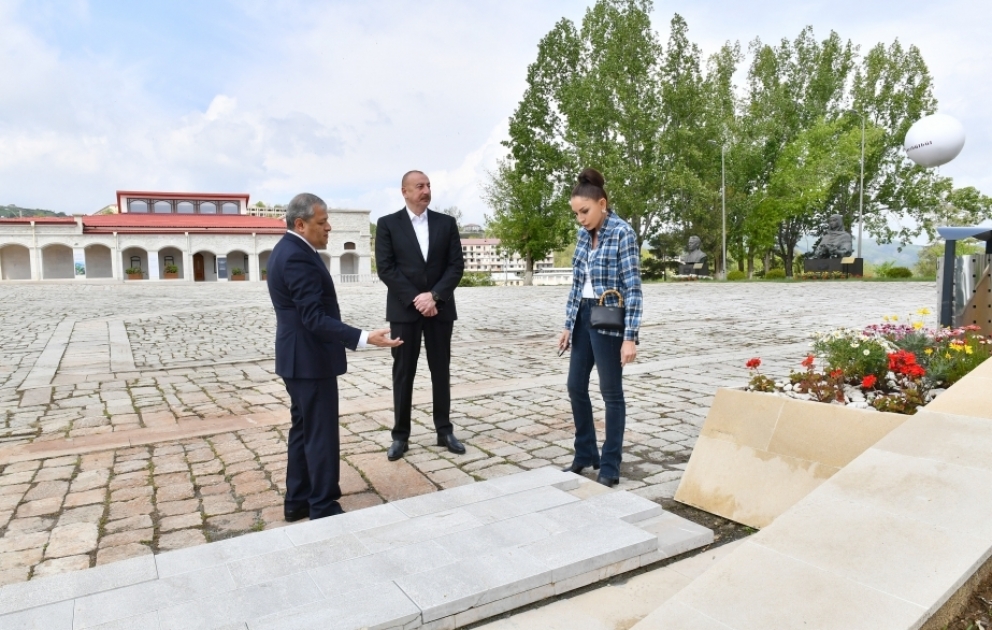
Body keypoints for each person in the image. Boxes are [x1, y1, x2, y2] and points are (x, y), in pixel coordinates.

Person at [266, 193, 401, 521]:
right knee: (320, 435)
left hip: (297, 359)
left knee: (303, 430)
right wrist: (364, 337)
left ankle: (297, 500)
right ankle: (323, 506)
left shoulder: (287, 250)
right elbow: (313, 317)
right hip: (309, 361)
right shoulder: (297, 256)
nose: (329, 227)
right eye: (322, 221)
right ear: (301, 224)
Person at [558, 168, 643, 487]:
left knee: (611, 393)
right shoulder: (583, 235)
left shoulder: (623, 233)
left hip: (608, 314)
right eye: (576, 213)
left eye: (585, 211)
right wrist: (568, 325)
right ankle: (584, 454)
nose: (580, 218)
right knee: (575, 386)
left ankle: (610, 464)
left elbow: (633, 287)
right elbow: (577, 282)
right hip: (582, 314)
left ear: (602, 204)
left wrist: (630, 337)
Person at [375, 171, 467, 461]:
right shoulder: (388, 224)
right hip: (405, 311)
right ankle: (400, 436)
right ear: (404, 191)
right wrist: (417, 299)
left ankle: (444, 430)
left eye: (428, 186)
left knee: (441, 371)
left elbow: (456, 266)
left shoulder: (446, 223)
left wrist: (434, 296)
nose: (426, 190)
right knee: (403, 374)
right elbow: (386, 268)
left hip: (440, 310)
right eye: (420, 186)